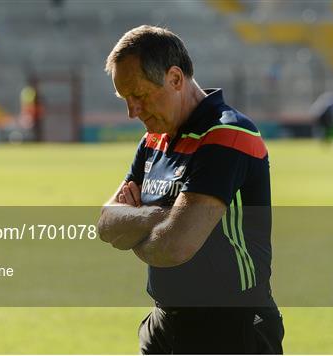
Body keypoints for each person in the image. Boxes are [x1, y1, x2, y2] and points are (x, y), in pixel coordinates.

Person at [97, 25, 284, 354]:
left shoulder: (228, 134)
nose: (132, 111)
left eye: (138, 95)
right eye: (125, 99)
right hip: (164, 323)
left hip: (229, 329)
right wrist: (160, 218)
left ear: (175, 78)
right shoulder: (153, 140)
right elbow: (106, 224)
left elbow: (175, 247)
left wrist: (137, 223)